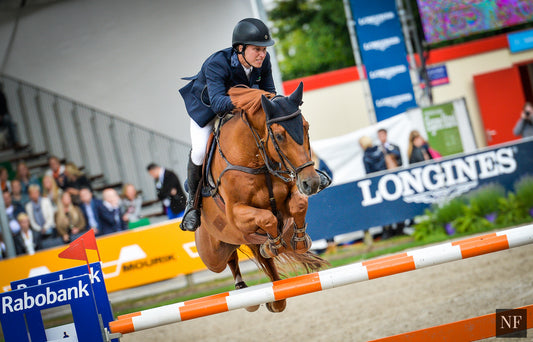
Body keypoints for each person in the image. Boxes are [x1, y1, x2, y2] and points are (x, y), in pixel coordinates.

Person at [179, 18, 330, 231]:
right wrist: (253, 98)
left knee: (274, 132)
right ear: (240, 48)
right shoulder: (216, 64)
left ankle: (300, 172)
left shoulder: (263, 62)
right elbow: (219, 103)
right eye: (256, 49)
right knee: (199, 152)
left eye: (264, 50)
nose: (262, 54)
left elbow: (270, 95)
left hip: (242, 109)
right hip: (208, 110)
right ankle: (191, 206)